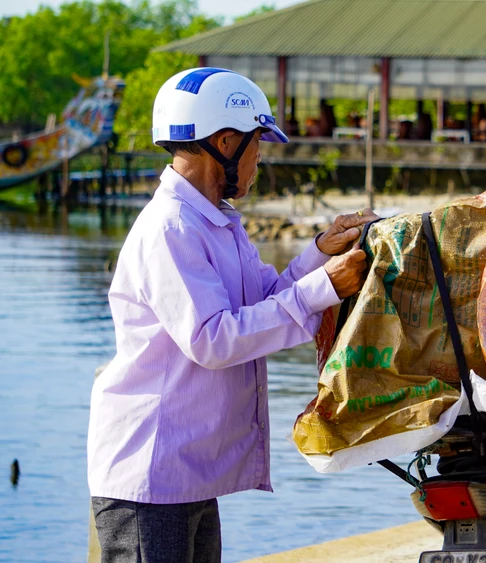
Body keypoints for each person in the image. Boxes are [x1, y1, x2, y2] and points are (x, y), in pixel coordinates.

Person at [88, 68, 378, 563]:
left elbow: (262, 300)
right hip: (151, 476)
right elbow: (214, 339)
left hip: (188, 472)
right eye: (256, 146)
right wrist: (323, 288)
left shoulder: (215, 220)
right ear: (224, 142)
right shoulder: (171, 228)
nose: (259, 160)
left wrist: (318, 255)